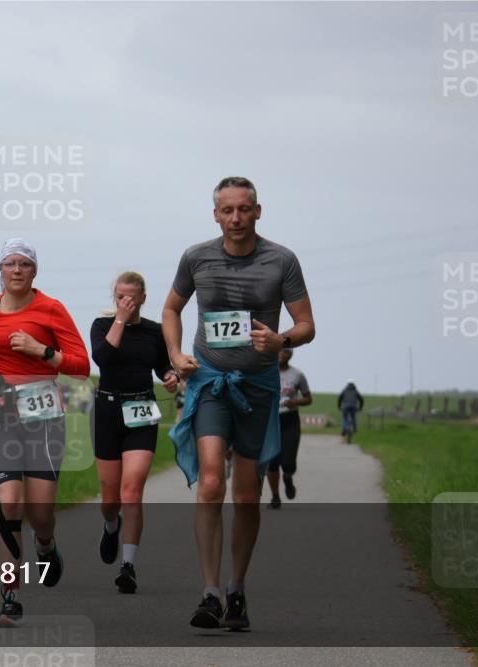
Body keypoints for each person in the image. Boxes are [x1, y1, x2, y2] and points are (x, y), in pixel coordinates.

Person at [163, 177, 315, 631]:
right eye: (226, 210)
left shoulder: (281, 260)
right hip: (210, 379)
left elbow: (305, 323)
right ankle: (209, 592)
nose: (235, 218)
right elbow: (171, 308)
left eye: (244, 209)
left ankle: (237, 590)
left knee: (246, 494)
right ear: (215, 215)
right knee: (212, 481)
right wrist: (174, 354)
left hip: (257, 385)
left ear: (258, 211)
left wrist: (280, 338)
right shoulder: (196, 257)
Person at [0, 238, 90, 627]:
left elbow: (81, 365)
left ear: (34, 272)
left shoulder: (51, 309)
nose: (16, 270)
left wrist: (42, 352)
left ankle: (45, 543)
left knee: (40, 513)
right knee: (10, 507)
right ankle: (10, 596)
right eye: (10, 264)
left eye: (24, 264)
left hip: (42, 415)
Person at [90, 272, 177, 594]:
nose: (125, 302)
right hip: (108, 411)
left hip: (141, 412)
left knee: (132, 490)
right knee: (110, 498)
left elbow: (162, 366)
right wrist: (120, 321)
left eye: (131, 298)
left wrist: (169, 376)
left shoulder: (154, 331)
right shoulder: (102, 325)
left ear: (142, 298)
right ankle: (111, 525)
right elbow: (102, 358)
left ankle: (128, 565)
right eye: (120, 297)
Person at [267, 349, 312, 509]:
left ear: (290, 354)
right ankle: (275, 496)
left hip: (290, 421)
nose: (281, 354)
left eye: (285, 351)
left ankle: (288, 479)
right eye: (278, 351)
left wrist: (296, 402)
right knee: (272, 462)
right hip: (270, 421)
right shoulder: (266, 372)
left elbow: (308, 398)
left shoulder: (297, 375)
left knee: (288, 462)